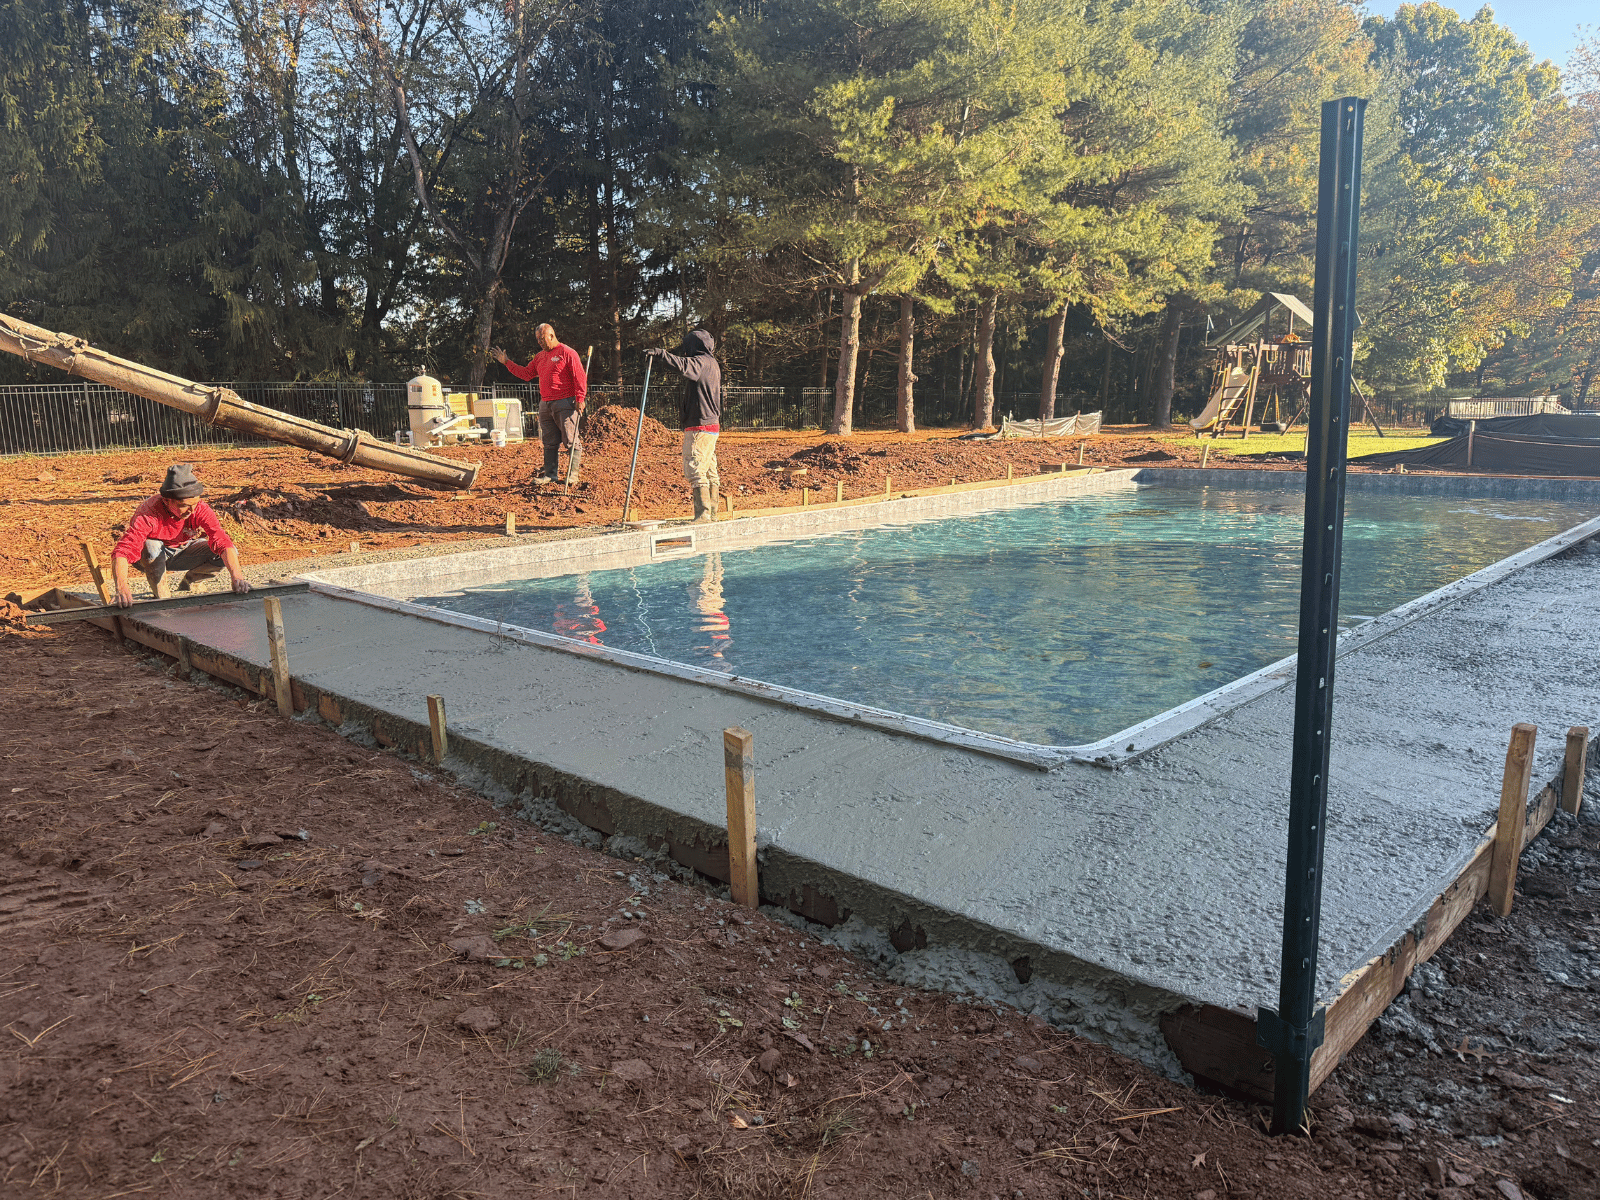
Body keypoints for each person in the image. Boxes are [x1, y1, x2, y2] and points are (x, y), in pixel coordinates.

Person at [111, 464, 252, 606]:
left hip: (182, 551)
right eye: (184, 505)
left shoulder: (199, 508)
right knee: (151, 545)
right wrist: (121, 588)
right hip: (150, 557)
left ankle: (191, 582)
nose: (191, 510)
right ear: (167, 501)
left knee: (230, 549)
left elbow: (221, 540)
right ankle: (164, 599)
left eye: (195, 504)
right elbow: (123, 551)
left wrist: (237, 577)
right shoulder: (149, 513)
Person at [491, 324, 588, 485]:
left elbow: (580, 376)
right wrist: (507, 362)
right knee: (549, 441)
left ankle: (573, 475)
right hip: (546, 404)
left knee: (570, 439)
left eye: (542, 338)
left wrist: (580, 398)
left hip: (565, 402)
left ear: (551, 335)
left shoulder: (567, 352)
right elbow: (526, 374)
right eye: (537, 339)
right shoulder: (539, 357)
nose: (540, 342)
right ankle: (551, 475)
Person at [646, 329, 722, 522]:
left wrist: (662, 354)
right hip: (710, 424)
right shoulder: (712, 363)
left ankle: (703, 514)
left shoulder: (701, 363)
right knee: (708, 469)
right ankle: (712, 514)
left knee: (695, 466)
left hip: (700, 425)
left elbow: (683, 365)